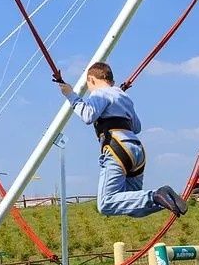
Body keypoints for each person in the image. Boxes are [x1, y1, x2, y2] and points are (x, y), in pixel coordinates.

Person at [57, 62, 188, 218]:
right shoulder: (123, 96)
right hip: (136, 150)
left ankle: (155, 195)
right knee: (133, 207)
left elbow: (88, 115)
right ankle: (165, 199)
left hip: (117, 147)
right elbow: (137, 126)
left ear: (91, 80)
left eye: (88, 85)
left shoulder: (100, 93)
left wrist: (70, 95)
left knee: (106, 203)